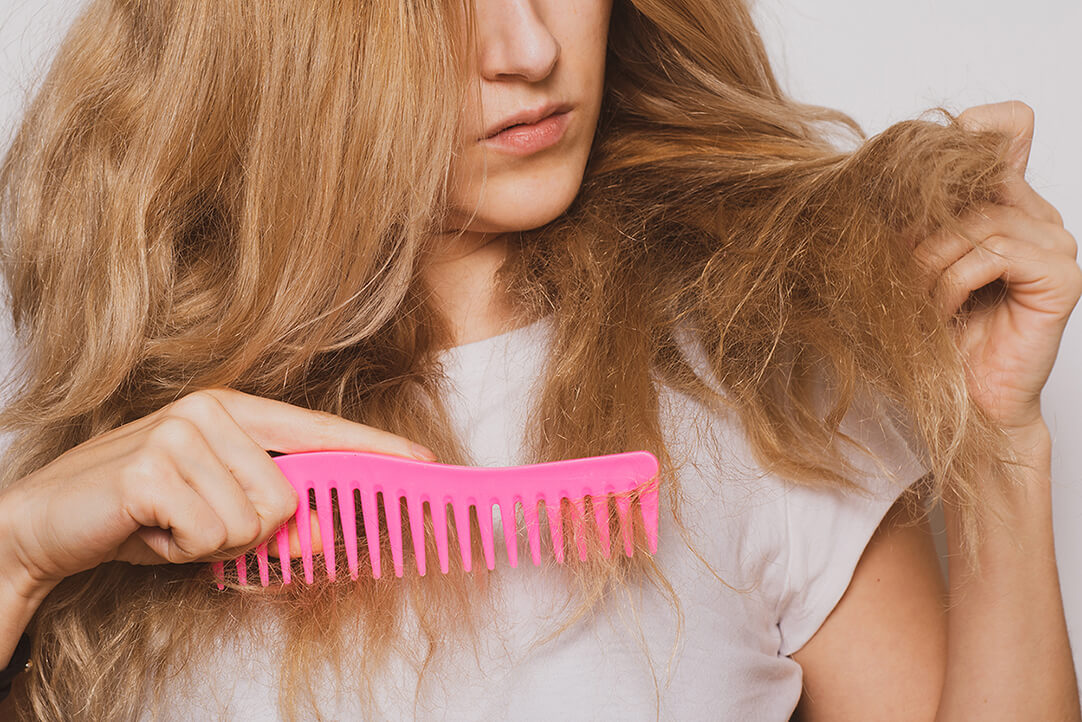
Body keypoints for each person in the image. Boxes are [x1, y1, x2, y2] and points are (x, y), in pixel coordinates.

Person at [0, 0, 1078, 719]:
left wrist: (993, 444)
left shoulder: (757, 389)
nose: (528, 48)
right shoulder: (134, 435)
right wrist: (16, 554)